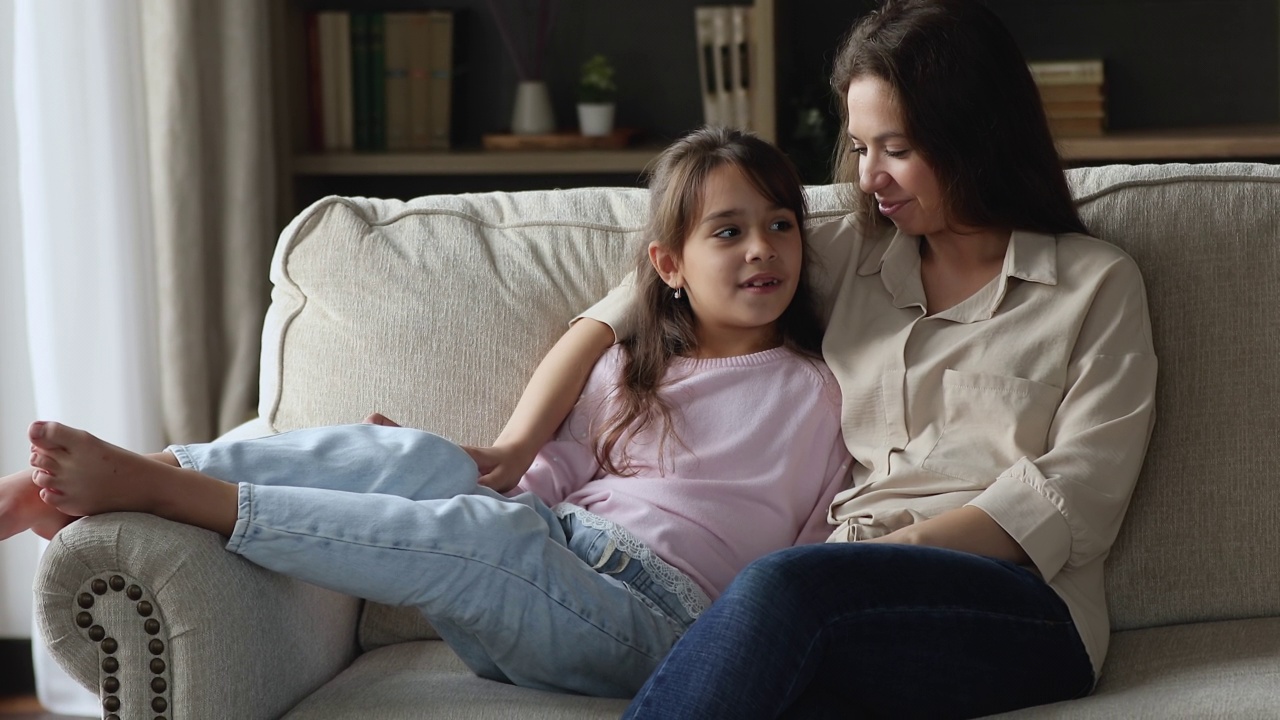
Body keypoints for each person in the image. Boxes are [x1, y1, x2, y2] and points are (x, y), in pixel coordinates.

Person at [476, 1, 1159, 718]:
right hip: (847, 589)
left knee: (781, 589)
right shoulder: (847, 253)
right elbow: (638, 298)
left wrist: (893, 550)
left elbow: (1077, 492)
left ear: (975, 135)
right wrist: (519, 446)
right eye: (861, 149)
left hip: (1022, 609)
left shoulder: (1095, 285)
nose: (870, 179)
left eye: (895, 149)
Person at [0, 127, 851, 699]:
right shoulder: (630, 368)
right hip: (559, 550)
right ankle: (166, 467)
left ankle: (165, 493)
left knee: (480, 535)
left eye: (780, 225)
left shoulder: (818, 390)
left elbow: (819, 545)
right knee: (421, 464)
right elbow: (559, 473)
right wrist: (456, 468)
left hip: (659, 619)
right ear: (667, 265)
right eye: (728, 232)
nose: (762, 248)